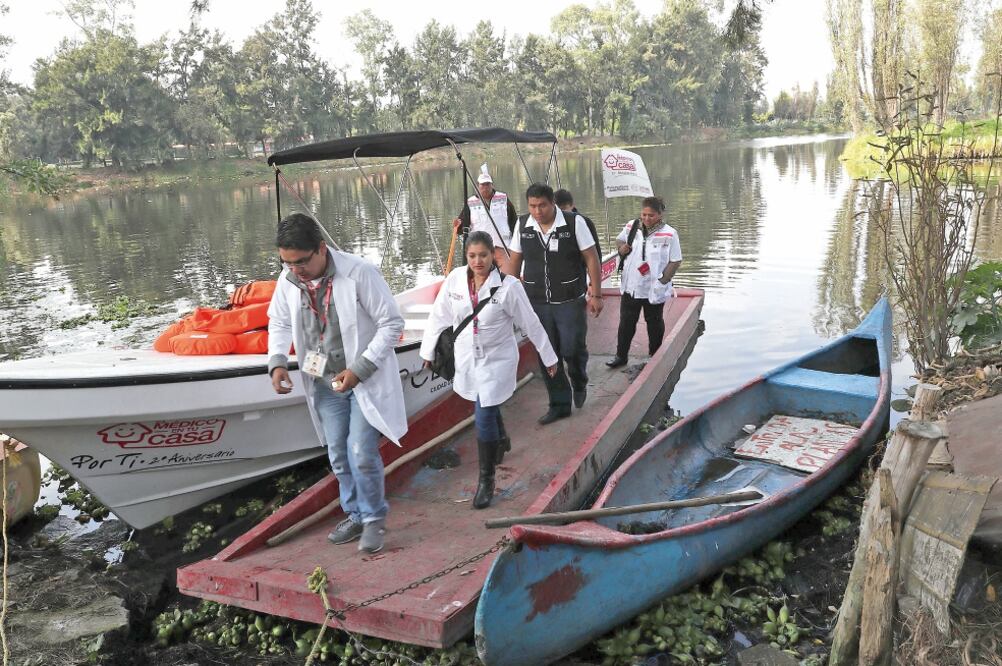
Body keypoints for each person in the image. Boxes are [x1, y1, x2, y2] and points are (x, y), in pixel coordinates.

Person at [267, 213, 407, 554]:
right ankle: (355, 513)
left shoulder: (359, 272)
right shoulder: (288, 280)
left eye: (301, 261)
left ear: (321, 248)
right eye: (287, 263)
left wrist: (359, 369)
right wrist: (277, 362)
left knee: (360, 452)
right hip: (324, 383)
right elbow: (279, 322)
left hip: (361, 380)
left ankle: (374, 519)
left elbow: (391, 323)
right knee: (338, 455)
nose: (295, 269)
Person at [420, 231, 558, 508]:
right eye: (472, 256)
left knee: (482, 412)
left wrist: (549, 356)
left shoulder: (508, 287)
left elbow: (530, 322)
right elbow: (439, 315)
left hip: (497, 360)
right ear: (466, 256)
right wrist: (427, 350)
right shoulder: (455, 280)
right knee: (485, 404)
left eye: (483, 255)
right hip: (468, 357)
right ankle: (502, 438)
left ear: (493, 256)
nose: (478, 261)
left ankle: (487, 481)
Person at [507, 183, 604, 425]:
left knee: (572, 348)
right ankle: (559, 404)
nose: (537, 211)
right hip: (536, 303)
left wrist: (596, 294)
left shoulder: (573, 223)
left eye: (542, 205)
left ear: (552, 203)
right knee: (547, 354)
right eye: (532, 206)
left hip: (569, 300)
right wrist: (505, 298)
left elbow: (591, 257)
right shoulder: (523, 225)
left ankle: (579, 379)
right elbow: (514, 262)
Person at [606, 196, 683, 368]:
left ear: (660, 215)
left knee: (654, 322)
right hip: (631, 286)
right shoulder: (631, 227)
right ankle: (621, 356)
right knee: (626, 322)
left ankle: (654, 356)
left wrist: (663, 282)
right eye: (644, 215)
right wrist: (621, 248)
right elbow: (620, 240)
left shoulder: (669, 234)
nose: (647, 219)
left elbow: (675, 261)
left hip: (653, 288)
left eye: (651, 215)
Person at [453, 164, 518, 269]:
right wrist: (457, 226)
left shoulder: (503, 198)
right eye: (482, 185)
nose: (485, 187)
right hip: (480, 249)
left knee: (506, 276)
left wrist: (516, 244)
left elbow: (514, 222)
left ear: (492, 185)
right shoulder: (470, 203)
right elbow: (461, 228)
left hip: (503, 247)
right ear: (478, 186)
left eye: (488, 184)